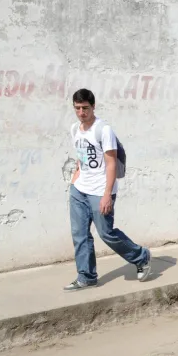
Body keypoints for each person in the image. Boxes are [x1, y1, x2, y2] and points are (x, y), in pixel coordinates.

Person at [65, 89, 151, 291]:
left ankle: (141, 256)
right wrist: (75, 178)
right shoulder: (74, 129)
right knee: (79, 234)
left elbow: (111, 164)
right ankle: (86, 276)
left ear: (93, 106)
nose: (81, 112)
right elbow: (81, 155)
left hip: (100, 190)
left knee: (106, 233)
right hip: (79, 189)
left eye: (85, 108)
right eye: (77, 108)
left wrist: (107, 195)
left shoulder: (103, 130)